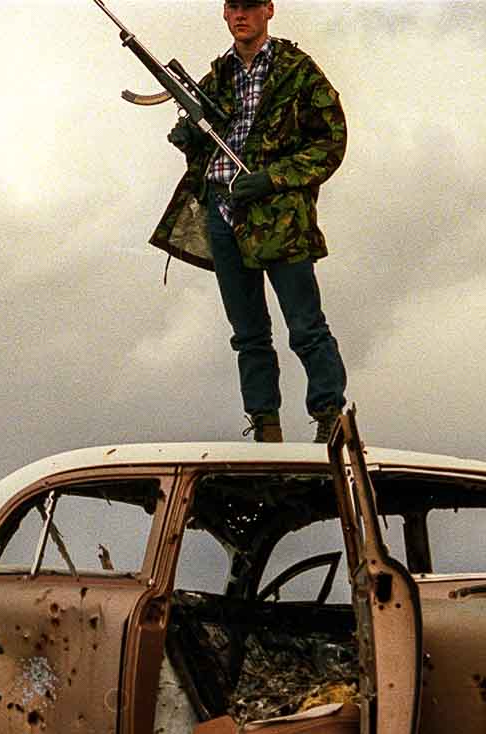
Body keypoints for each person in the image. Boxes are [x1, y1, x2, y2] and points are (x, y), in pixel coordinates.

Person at [149, 0, 348, 443]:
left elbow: (330, 142)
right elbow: (207, 140)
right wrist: (188, 140)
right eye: (234, 6)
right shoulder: (218, 76)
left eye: (251, 6)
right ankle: (265, 425)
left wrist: (274, 178)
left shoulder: (297, 70)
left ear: (269, 10)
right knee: (248, 333)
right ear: (224, 12)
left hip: (278, 216)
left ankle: (330, 415)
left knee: (305, 323)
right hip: (223, 210)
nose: (242, 15)